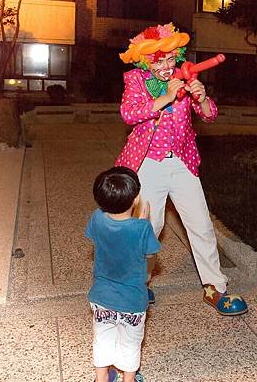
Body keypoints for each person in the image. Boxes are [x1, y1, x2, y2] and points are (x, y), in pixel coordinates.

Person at [115, 23, 247, 316]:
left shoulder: (184, 76)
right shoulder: (135, 80)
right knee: (149, 227)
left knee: (201, 225)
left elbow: (209, 116)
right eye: (158, 60)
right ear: (145, 60)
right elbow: (129, 113)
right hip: (149, 163)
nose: (165, 65)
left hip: (183, 162)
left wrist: (201, 97)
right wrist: (164, 98)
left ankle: (215, 288)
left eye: (170, 58)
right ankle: (140, 283)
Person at [86, 167, 161, 382]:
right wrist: (144, 221)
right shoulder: (142, 228)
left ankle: (102, 378)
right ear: (136, 198)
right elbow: (150, 252)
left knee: (102, 339)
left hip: (101, 299)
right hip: (132, 302)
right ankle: (129, 378)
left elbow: (96, 235)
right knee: (130, 343)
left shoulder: (97, 218)